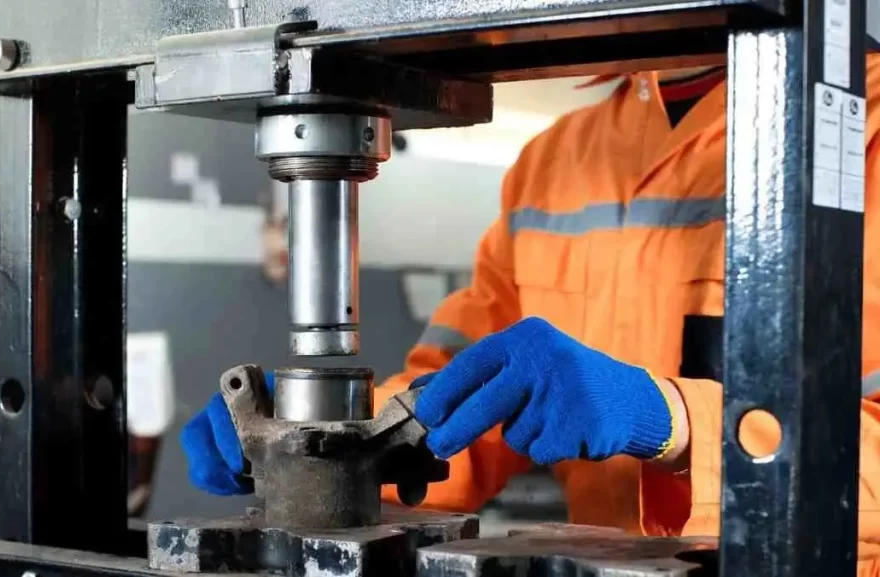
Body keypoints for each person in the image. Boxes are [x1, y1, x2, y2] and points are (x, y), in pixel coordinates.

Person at [181, 59, 880, 570]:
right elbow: (457, 394)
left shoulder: (860, 129)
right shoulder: (555, 160)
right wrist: (322, 437)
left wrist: (668, 417)